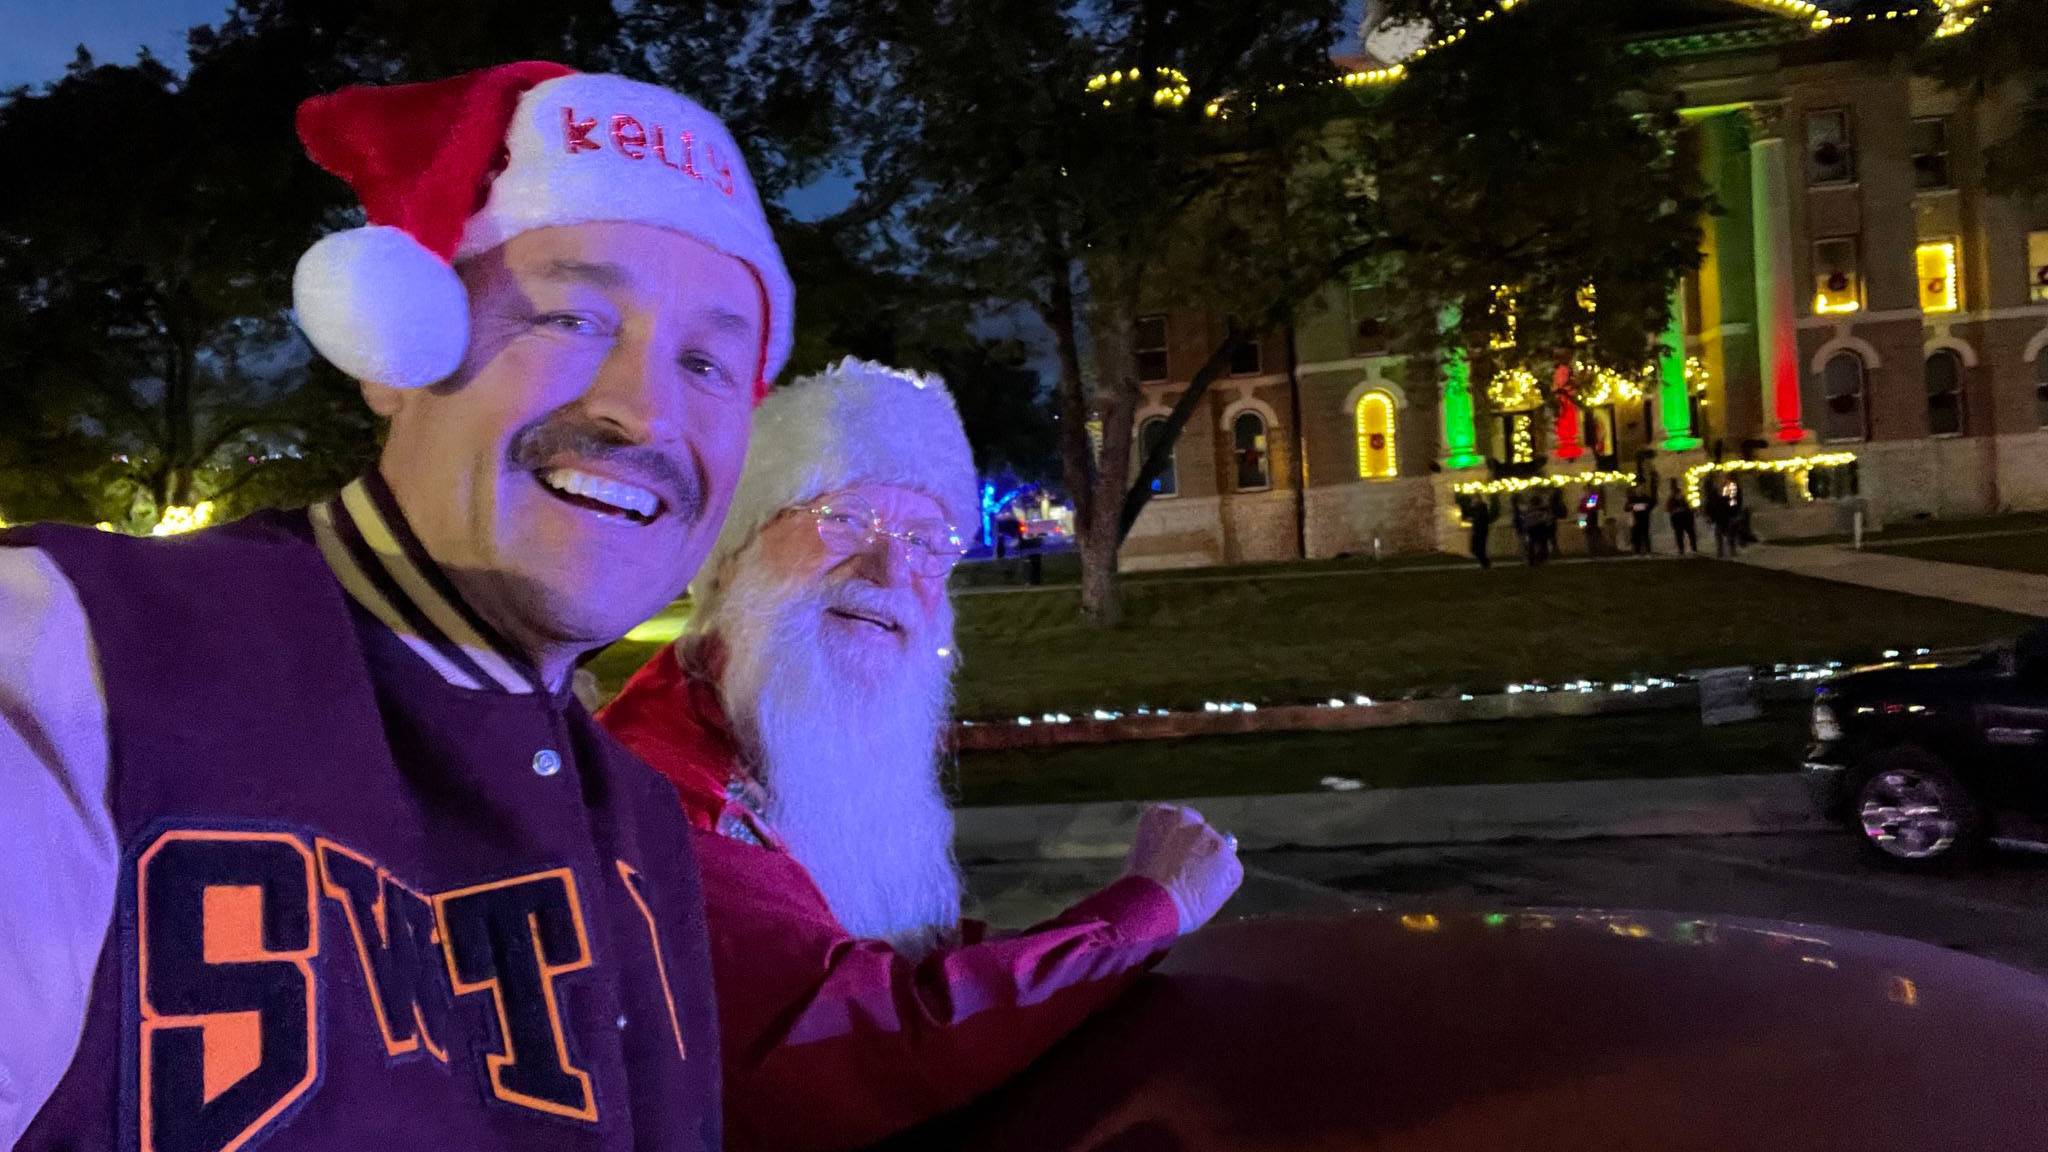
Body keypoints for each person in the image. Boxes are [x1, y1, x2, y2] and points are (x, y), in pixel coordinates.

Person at [0, 61, 796, 1150]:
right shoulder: (72, 659)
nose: (643, 410)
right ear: (394, 345)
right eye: (569, 317)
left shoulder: (643, 823)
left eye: (708, 362)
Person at [599, 359, 1243, 1151]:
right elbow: (852, 1040)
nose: (890, 569)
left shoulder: (768, 729)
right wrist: (1149, 907)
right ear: (732, 556)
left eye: (926, 541)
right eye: (845, 519)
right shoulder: (661, 788)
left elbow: (900, 950)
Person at [1715, 475, 1746, 558]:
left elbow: (1734, 503)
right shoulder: (1723, 489)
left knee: (1731, 532)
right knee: (1722, 533)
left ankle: (1731, 550)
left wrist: (1728, 501)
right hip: (1723, 515)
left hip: (1730, 514)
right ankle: (1722, 551)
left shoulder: (1733, 489)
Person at [1464, 493, 1499, 569]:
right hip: (1477, 530)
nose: (1473, 500)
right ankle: (1485, 563)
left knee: (1480, 549)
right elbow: (1472, 515)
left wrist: (1474, 520)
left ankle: (1485, 564)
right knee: (1475, 548)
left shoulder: (1482, 507)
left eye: (1475, 499)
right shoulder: (1476, 508)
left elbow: (1482, 519)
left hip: (1481, 531)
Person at [1667, 478, 1698, 555]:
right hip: (1679, 520)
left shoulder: (1682, 501)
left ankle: (1691, 548)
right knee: (1680, 535)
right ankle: (1683, 549)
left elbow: (1688, 509)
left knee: (1688, 534)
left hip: (1684, 520)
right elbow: (1670, 509)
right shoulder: (1673, 500)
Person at [1627, 482, 1656, 556]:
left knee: (1645, 535)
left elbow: (1651, 505)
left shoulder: (1646, 498)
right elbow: (1627, 508)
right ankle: (1637, 551)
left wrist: (1644, 507)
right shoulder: (1632, 498)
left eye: (1641, 489)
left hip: (1645, 519)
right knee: (1637, 536)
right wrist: (1635, 506)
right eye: (1638, 489)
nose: (1640, 490)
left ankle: (1648, 551)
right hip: (1636, 519)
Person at [1578, 486, 1605, 557]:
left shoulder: (1590, 499)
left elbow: (1588, 508)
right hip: (1589, 519)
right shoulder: (1586, 500)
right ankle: (1593, 551)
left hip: (1593, 518)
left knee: (1595, 536)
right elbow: (1583, 512)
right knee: (1590, 536)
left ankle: (1597, 551)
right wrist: (1582, 524)